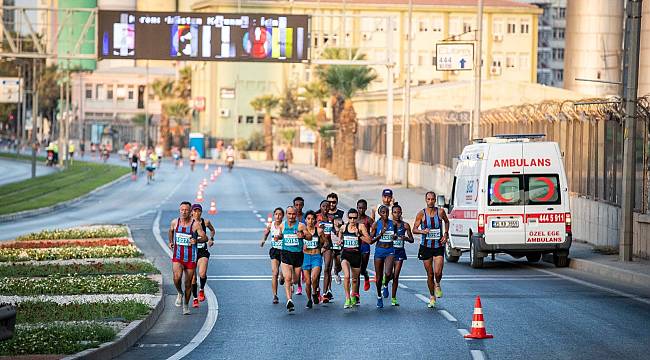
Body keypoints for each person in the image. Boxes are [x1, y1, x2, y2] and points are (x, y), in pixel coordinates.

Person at [168, 201, 207, 315]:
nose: (184, 212)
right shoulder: (175, 222)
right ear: (179, 210)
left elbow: (205, 237)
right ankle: (180, 293)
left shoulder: (195, 224)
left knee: (188, 283)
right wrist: (171, 242)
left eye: (186, 210)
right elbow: (170, 231)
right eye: (182, 210)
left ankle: (185, 305)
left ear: (190, 212)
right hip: (178, 256)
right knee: (176, 278)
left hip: (190, 258)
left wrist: (197, 240)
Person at [412, 191, 450, 308]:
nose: (430, 201)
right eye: (428, 199)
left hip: (438, 246)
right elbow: (414, 229)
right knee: (430, 274)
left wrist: (445, 234)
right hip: (426, 247)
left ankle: (437, 283)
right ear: (425, 200)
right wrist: (422, 231)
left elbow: (447, 221)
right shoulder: (421, 214)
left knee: (438, 272)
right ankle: (432, 296)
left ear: (435, 200)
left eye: (432, 199)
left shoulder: (440, 212)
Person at [275, 206, 311, 312]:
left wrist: (303, 236)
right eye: (289, 214)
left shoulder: (301, 225)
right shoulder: (283, 225)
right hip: (286, 253)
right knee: (288, 279)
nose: (291, 216)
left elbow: (309, 236)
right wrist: (278, 237)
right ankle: (289, 300)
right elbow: (281, 235)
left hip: (298, 255)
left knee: (295, 281)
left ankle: (282, 273)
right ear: (286, 214)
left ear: (296, 214)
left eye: (293, 214)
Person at [337, 208, 371, 308]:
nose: (352, 220)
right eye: (350, 218)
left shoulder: (361, 226)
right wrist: (340, 240)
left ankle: (353, 296)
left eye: (354, 218)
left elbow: (369, 240)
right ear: (347, 217)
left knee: (355, 279)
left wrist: (359, 234)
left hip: (356, 255)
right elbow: (340, 233)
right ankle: (347, 299)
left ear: (357, 218)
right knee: (347, 276)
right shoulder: (344, 227)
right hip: (346, 255)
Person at [369, 205, 395, 308]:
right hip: (379, 251)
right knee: (378, 277)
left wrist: (395, 237)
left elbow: (397, 235)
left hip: (390, 250)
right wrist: (380, 235)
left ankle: (385, 285)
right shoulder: (376, 224)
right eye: (383, 212)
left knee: (388, 273)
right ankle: (379, 296)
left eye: (387, 212)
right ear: (379, 214)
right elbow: (371, 240)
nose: (385, 214)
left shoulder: (393, 224)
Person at [190, 204, 216, 308]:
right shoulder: (189, 223)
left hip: (202, 251)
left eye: (199, 211)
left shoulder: (205, 222)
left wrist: (211, 239)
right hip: (191, 252)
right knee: (193, 278)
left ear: (201, 212)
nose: (197, 213)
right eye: (195, 211)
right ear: (191, 212)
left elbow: (212, 230)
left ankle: (201, 290)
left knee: (202, 273)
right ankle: (195, 299)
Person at [390, 203, 414, 306]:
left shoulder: (405, 225)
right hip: (389, 252)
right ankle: (385, 283)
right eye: (395, 212)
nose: (397, 214)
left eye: (399, 212)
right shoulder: (388, 224)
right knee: (388, 274)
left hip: (400, 251)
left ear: (401, 213)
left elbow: (412, 240)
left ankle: (393, 298)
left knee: (396, 276)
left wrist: (406, 238)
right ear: (392, 213)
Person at [260, 207, 285, 304]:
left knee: (282, 275)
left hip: (284, 251)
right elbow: (266, 233)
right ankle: (275, 295)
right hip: (274, 251)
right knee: (274, 272)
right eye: (276, 214)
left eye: (280, 214)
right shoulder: (271, 225)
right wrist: (263, 240)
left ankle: (282, 277)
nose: (278, 216)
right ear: (274, 215)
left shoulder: (284, 225)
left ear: (283, 216)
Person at [301, 210, 324, 309]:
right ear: (305, 220)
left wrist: (322, 249)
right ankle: (309, 299)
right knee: (308, 282)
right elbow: (297, 245)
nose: (310, 221)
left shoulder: (319, 231)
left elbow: (326, 243)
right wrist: (302, 247)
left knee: (314, 278)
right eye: (308, 219)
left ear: (315, 220)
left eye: (312, 219)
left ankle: (314, 292)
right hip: (305, 257)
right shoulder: (302, 232)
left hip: (316, 257)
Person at [317, 200, 336, 303]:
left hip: (328, 244)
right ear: (320, 207)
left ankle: (325, 293)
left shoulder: (331, 218)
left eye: (327, 206)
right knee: (317, 269)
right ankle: (316, 290)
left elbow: (334, 231)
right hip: (317, 245)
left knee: (327, 267)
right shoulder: (316, 217)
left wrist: (337, 230)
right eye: (323, 206)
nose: (325, 208)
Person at [327, 193, 345, 289]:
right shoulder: (323, 213)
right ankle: (328, 291)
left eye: (333, 202)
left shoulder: (342, 214)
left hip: (339, 242)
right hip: (327, 243)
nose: (331, 204)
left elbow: (346, 227)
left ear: (337, 202)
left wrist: (340, 229)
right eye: (329, 202)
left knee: (339, 264)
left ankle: (336, 271)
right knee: (327, 266)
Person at [357, 199, 374, 293]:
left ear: (366, 208)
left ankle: (366, 275)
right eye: (359, 208)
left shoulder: (368, 219)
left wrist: (371, 236)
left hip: (365, 246)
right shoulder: (354, 219)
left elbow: (375, 228)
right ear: (357, 208)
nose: (361, 210)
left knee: (362, 269)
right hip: (355, 246)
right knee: (357, 271)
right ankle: (356, 294)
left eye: (363, 208)